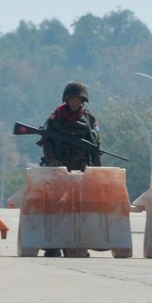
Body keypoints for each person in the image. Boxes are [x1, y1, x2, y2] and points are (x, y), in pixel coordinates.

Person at [38, 81, 102, 257]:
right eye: (72, 99)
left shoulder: (88, 120)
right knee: (55, 209)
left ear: (83, 101)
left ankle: (78, 246)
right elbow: (46, 141)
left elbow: (95, 146)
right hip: (58, 170)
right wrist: (51, 159)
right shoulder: (55, 118)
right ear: (67, 100)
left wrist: (97, 169)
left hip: (80, 171)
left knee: (80, 209)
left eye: (78, 100)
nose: (74, 103)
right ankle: (53, 246)